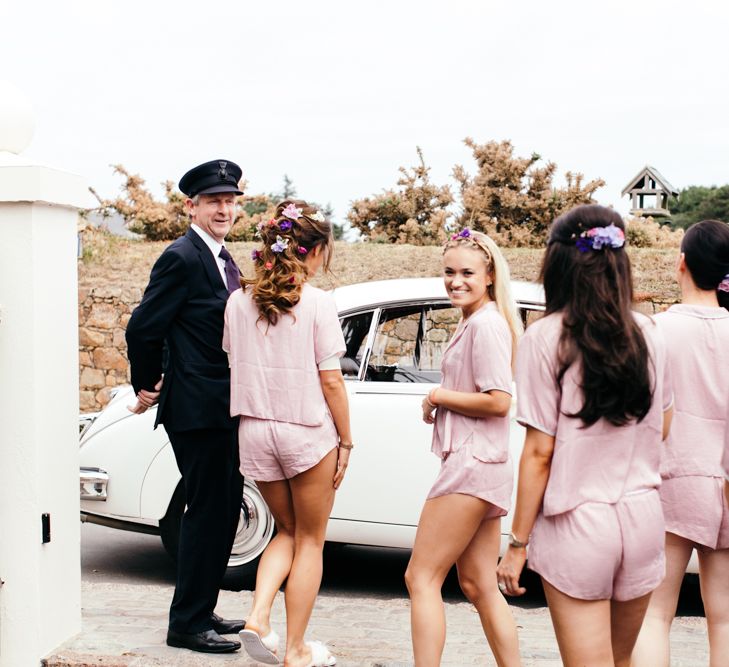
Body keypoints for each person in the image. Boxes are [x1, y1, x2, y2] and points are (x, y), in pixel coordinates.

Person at [496, 205, 673, 667]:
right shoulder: (650, 334)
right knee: (621, 660)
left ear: (558, 262)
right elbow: (666, 425)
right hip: (642, 517)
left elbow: (539, 452)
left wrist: (517, 544)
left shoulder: (546, 337)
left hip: (578, 523)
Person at [223, 200, 351, 667]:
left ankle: (258, 616)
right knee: (312, 539)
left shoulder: (238, 302)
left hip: (255, 431)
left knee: (288, 531)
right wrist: (347, 440)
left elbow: (234, 359)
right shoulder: (318, 303)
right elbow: (331, 380)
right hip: (305, 432)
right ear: (313, 251)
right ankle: (295, 649)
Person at [125, 159, 245, 654]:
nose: (223, 208)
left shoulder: (222, 257)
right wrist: (148, 380)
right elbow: (142, 327)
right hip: (196, 408)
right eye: (213, 200)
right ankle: (187, 625)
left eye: (229, 200)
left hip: (221, 405)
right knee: (207, 510)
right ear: (191, 206)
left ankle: (200, 606)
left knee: (222, 509)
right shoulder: (181, 256)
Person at [405, 229, 523, 667]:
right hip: (482, 463)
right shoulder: (476, 320)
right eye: (449, 272)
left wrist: (438, 396)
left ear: (490, 275)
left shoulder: (487, 324)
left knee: (421, 576)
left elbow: (499, 401)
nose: (456, 281)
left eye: (467, 272)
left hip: (471, 466)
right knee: (476, 583)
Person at [632, 219, 729, 666]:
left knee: (654, 615)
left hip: (672, 479)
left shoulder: (657, 331)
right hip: (725, 480)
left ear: (681, 264)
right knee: (725, 620)